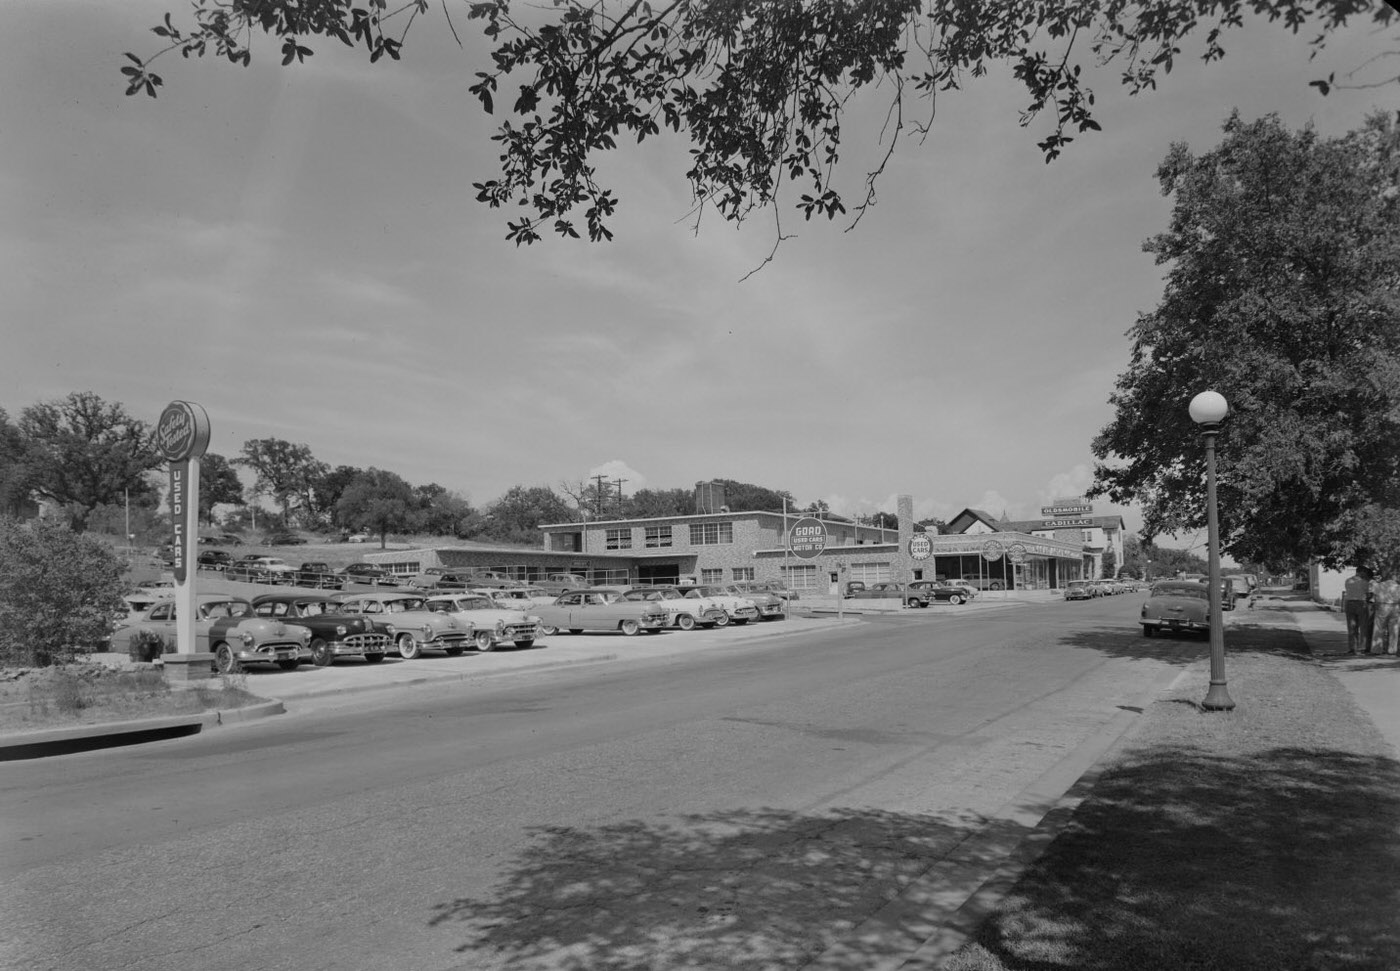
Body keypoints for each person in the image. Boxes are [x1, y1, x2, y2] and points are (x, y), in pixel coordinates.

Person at [1342, 566, 1374, 655]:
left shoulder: (1348, 580)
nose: (1365, 574)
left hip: (1349, 603)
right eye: (1365, 572)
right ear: (1361, 572)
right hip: (1361, 603)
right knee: (1363, 626)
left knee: (1351, 626)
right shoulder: (1364, 582)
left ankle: (1352, 648)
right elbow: (1368, 595)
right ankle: (1363, 647)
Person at [1370, 569, 1400, 657]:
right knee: (1394, 629)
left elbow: (1375, 597)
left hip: (1382, 606)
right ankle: (1392, 650)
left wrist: (1375, 605)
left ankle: (1376, 649)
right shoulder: (1398, 586)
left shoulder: (1379, 585)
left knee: (1379, 628)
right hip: (1395, 607)